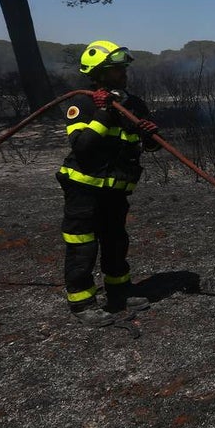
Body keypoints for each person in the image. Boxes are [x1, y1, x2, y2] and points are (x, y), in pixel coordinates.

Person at [58, 40, 161, 327]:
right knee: (82, 244)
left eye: (124, 68)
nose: (123, 73)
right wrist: (103, 112)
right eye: (117, 69)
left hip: (116, 190)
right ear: (99, 73)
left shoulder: (134, 104)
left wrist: (151, 137)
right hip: (84, 189)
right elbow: (82, 146)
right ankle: (82, 303)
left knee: (116, 241)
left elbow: (147, 146)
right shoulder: (82, 103)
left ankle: (119, 291)